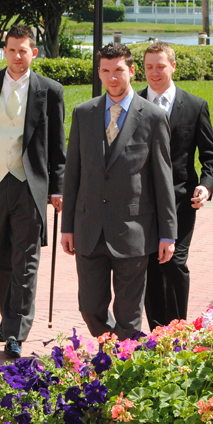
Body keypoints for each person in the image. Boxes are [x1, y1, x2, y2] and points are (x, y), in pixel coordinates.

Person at [60, 42, 176, 339]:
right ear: (99, 73)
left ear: (131, 71)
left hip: (133, 231)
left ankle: (122, 366)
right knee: (89, 307)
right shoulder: (83, 114)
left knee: (129, 312)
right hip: (89, 230)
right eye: (106, 71)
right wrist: (67, 226)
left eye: (119, 70)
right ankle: (112, 346)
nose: (113, 78)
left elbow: (162, 179)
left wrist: (167, 234)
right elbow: (73, 174)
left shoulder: (152, 117)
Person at [0, 24, 66, 359]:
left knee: (26, 260)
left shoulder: (50, 91)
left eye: (23, 50)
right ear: (5, 50)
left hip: (29, 184)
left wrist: (58, 187)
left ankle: (15, 331)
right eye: (11, 49)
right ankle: (10, 313)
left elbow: (57, 145)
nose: (17, 56)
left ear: (34, 53)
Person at [139, 41, 213, 329]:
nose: (154, 72)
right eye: (149, 67)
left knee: (174, 262)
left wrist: (207, 186)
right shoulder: (132, 104)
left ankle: (179, 328)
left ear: (173, 66)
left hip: (181, 201)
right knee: (149, 265)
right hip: (143, 204)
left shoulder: (195, 106)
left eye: (160, 66)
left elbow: (210, 155)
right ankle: (157, 331)